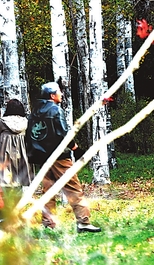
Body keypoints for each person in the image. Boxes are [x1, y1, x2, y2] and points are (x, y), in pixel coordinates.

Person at [26, 82, 101, 232]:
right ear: (52, 95)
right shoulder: (55, 110)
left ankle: (48, 224)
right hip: (59, 157)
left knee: (48, 191)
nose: (61, 94)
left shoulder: (35, 111)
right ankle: (83, 222)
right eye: (59, 92)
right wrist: (76, 148)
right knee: (73, 188)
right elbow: (63, 134)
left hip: (43, 158)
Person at [0, 99, 32, 188]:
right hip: (21, 152)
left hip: (4, 152)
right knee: (19, 178)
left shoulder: (2, 122)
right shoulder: (25, 122)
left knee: (4, 178)